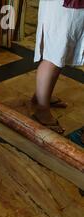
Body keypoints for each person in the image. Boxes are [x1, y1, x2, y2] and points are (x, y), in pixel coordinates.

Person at [31, 0, 84, 135]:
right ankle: (42, 109)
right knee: (54, 55)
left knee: (59, 52)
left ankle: (41, 95)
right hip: (63, 7)